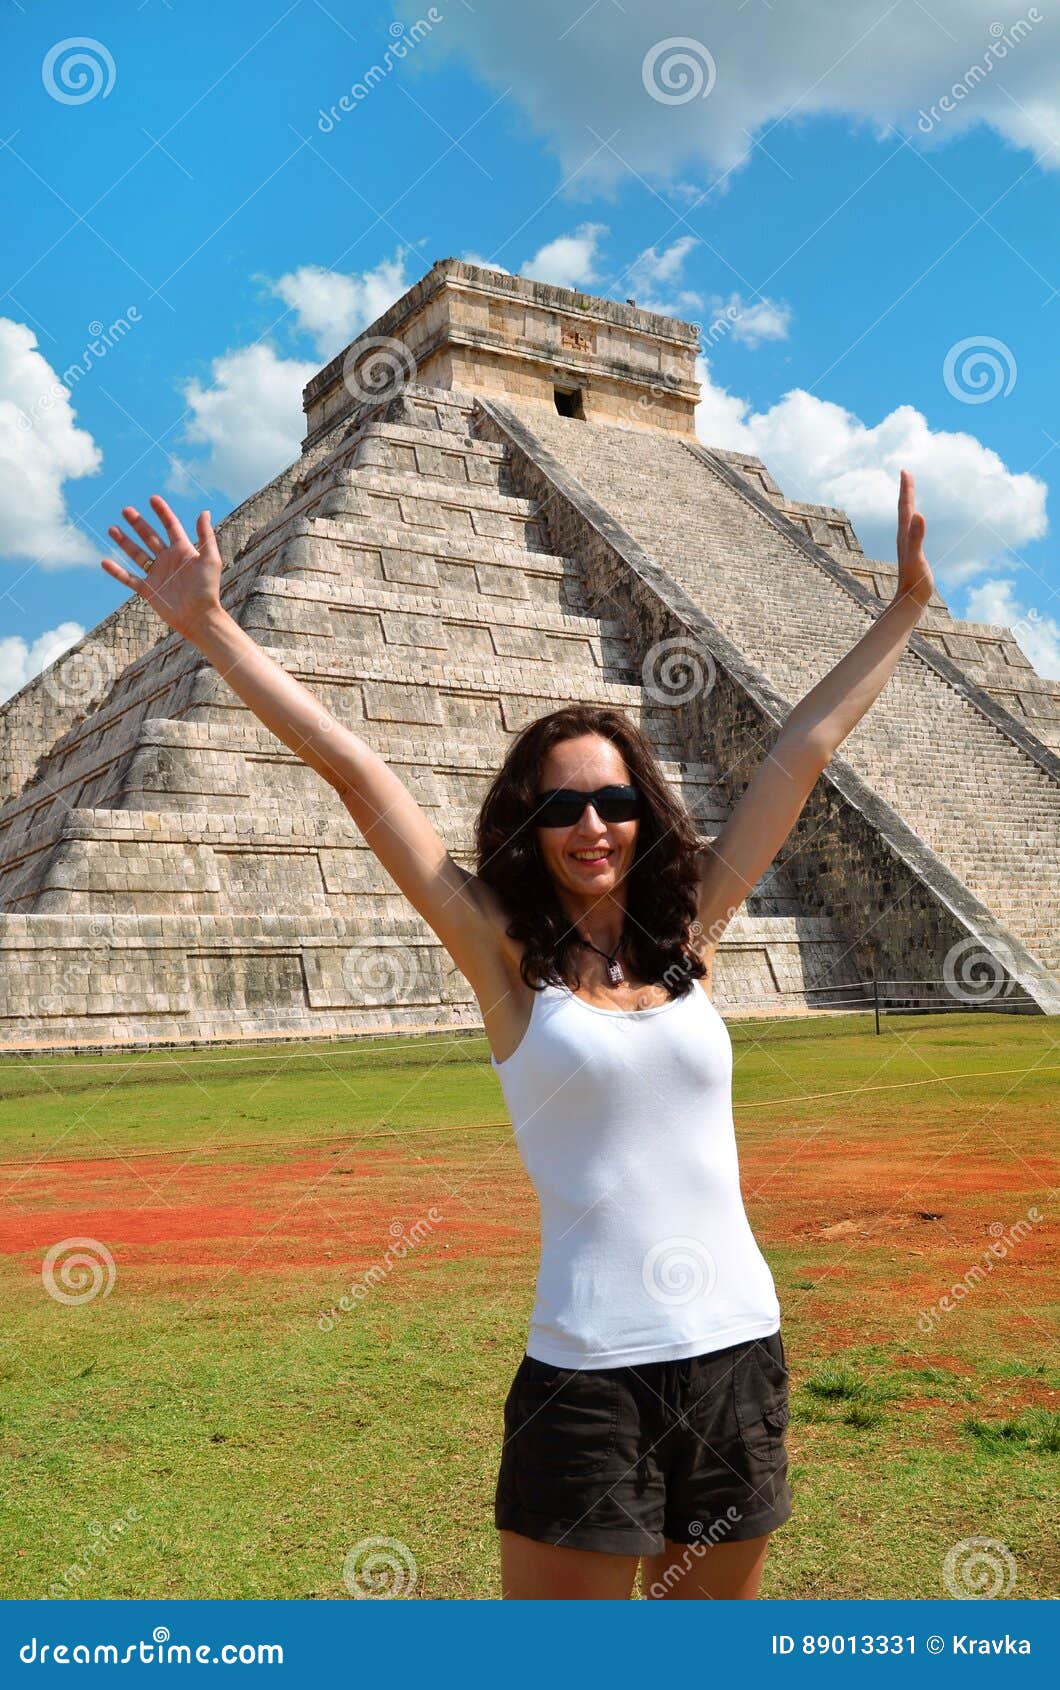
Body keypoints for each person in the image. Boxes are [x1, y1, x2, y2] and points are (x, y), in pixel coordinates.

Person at [101, 471, 933, 1599]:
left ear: (645, 810)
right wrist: (212, 628)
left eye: (612, 800)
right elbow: (359, 776)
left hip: (736, 1351)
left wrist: (900, 612)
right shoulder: (506, 960)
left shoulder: (692, 937)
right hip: (587, 1373)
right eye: (558, 807)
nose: (590, 825)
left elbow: (802, 750)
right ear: (528, 828)